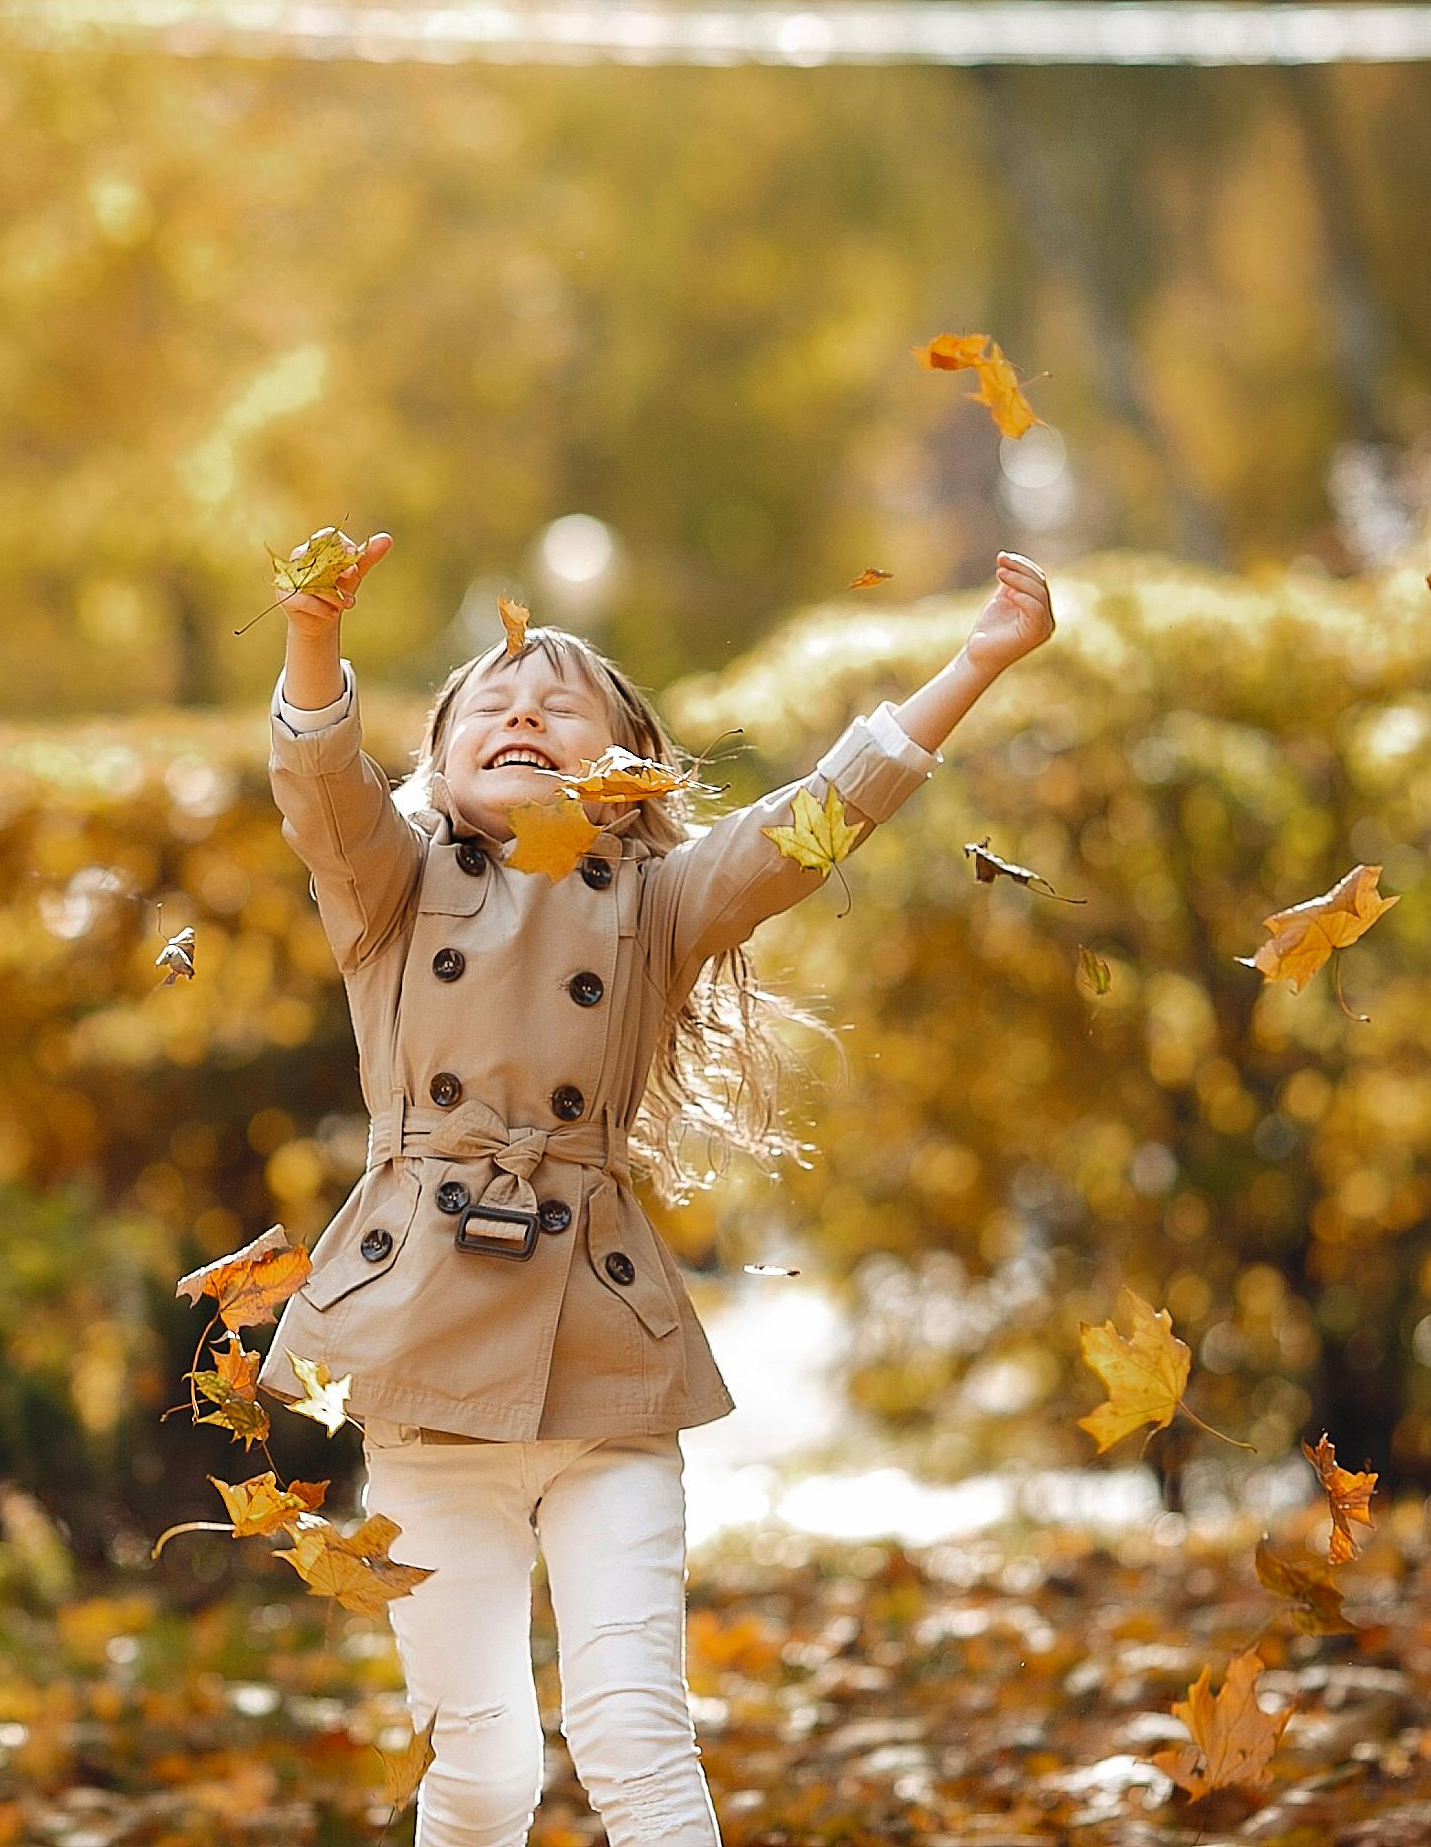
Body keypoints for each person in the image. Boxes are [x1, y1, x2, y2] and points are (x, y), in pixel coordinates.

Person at [258, 532, 1053, 1847]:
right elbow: (319, 784)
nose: (523, 712)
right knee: (481, 1772)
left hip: (604, 1370)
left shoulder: (660, 902)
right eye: (492, 705)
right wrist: (313, 639)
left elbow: (813, 825)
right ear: (441, 768)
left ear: (628, 777)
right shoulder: (388, 889)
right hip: (422, 1375)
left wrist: (974, 659)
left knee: (636, 1733)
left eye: (561, 703)